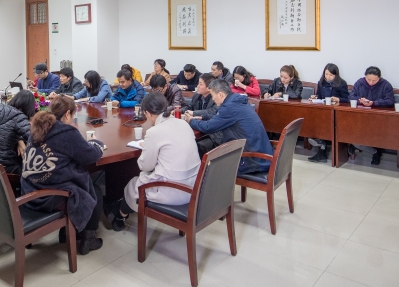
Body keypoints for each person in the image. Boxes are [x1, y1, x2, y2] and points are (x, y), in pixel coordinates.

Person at [104, 92, 201, 231]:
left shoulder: (154, 132)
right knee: (141, 181)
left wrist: (147, 148)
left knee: (134, 183)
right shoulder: (183, 123)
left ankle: (119, 215)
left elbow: (145, 166)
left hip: (172, 190)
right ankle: (117, 212)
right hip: (193, 186)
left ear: (147, 113)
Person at [21, 96, 105, 255]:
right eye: (73, 115)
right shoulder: (67, 132)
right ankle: (88, 239)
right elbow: (91, 155)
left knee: (78, 177)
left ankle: (69, 232)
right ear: (67, 114)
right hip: (49, 197)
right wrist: (97, 143)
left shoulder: (38, 127)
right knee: (95, 191)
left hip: (30, 190)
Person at [188, 79, 274, 172]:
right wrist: (203, 117)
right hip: (262, 153)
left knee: (209, 166)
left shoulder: (229, 107)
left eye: (212, 95)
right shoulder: (237, 101)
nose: (212, 99)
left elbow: (208, 127)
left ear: (220, 95)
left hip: (251, 160)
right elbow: (222, 117)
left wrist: (191, 121)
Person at [346, 66, 395, 165]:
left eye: (374, 80)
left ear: (379, 78)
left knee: (375, 134)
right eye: (369, 80)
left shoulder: (385, 85)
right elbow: (350, 97)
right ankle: (363, 148)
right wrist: (360, 100)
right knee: (349, 130)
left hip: (379, 119)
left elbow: (390, 101)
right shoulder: (360, 83)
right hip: (360, 117)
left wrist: (375, 103)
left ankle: (375, 152)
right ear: (365, 76)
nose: (371, 83)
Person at [0, 90, 35, 174]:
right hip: (3, 166)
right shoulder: (19, 116)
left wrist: (19, 140)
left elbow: (6, 129)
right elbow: (33, 137)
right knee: (29, 172)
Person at [306, 63, 349, 163]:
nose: (328, 77)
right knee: (314, 119)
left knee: (327, 123)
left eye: (331, 75)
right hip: (323, 111)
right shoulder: (321, 82)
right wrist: (315, 97)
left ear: (336, 75)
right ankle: (321, 145)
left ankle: (322, 145)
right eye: (326, 74)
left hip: (336, 112)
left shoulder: (341, 83)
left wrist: (338, 99)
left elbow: (347, 99)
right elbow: (319, 95)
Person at [182, 73, 222, 158]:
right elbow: (190, 107)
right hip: (197, 126)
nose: (197, 86)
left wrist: (194, 113)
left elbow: (212, 111)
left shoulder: (216, 97)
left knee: (196, 145)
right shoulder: (197, 95)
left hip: (211, 131)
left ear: (208, 88)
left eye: (200, 84)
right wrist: (179, 110)